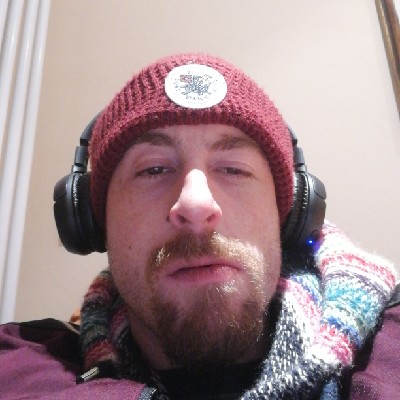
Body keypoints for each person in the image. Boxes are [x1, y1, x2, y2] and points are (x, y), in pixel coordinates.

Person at [0, 53, 399, 400]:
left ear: (291, 214)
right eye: (153, 169)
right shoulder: (19, 368)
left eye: (234, 169)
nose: (195, 205)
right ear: (93, 220)